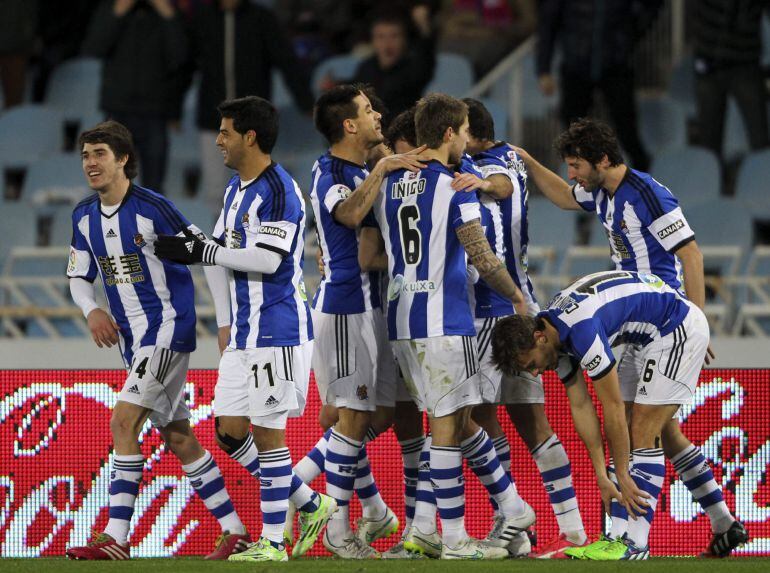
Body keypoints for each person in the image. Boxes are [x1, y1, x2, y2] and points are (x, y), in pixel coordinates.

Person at [515, 118, 749, 559]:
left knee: (640, 428)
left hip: (663, 316)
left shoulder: (648, 194)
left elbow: (691, 254)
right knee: (663, 432)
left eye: (577, 165)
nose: (573, 175)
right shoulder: (601, 192)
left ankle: (631, 542)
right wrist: (528, 164)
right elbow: (566, 199)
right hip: (629, 322)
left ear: (604, 159)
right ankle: (723, 522)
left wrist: (698, 319)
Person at [153, 96, 335, 562]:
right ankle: (311, 504)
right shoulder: (237, 189)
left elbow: (266, 259)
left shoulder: (280, 191)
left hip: (278, 328)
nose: (217, 140)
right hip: (246, 332)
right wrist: (226, 321)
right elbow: (215, 250)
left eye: (225, 132)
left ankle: (273, 544)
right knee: (230, 432)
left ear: (249, 136)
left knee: (269, 434)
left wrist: (204, 253)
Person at [65, 120, 249, 560]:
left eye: (100, 154)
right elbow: (78, 276)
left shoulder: (153, 209)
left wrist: (224, 322)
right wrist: (92, 309)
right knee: (179, 437)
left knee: (123, 422)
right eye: (86, 155)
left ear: (124, 158)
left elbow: (209, 256)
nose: (90, 163)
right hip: (133, 343)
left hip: (167, 330)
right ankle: (244, 525)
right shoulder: (83, 216)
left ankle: (116, 539)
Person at [369, 93, 535, 560]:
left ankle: (497, 509)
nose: (467, 141)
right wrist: (516, 297)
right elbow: (480, 254)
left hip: (402, 320)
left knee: (457, 423)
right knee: (447, 429)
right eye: (463, 132)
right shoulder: (456, 188)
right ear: (447, 133)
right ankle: (458, 537)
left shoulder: (389, 185)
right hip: (445, 321)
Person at [491, 270, 720, 559]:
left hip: (677, 328)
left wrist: (622, 474)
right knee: (628, 428)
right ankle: (616, 537)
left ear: (539, 338)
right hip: (650, 338)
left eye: (532, 364)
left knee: (642, 429)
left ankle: (635, 544)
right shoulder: (555, 336)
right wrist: (602, 475)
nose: (536, 372)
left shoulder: (581, 331)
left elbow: (609, 406)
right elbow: (581, 406)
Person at [452, 98, 588, 558]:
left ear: (471, 135)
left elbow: (503, 186)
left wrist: (479, 180)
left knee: (487, 420)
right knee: (508, 420)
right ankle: (536, 528)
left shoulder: (490, 165)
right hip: (516, 302)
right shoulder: (504, 155)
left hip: (495, 306)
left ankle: (535, 523)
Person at [300, 83, 430, 559]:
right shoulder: (331, 170)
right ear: (349, 124)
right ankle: (334, 524)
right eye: (369, 110)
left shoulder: (358, 168)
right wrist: (382, 168)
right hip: (345, 306)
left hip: (373, 308)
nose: (378, 115)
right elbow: (350, 215)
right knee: (350, 416)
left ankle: (360, 507)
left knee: (374, 415)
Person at [188, 0, 314, 208]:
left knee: (257, 185)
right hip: (212, 120)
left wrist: (306, 102)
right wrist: (172, 109)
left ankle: (256, 235)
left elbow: (286, 61)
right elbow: (185, 65)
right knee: (216, 192)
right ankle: (221, 236)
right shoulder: (203, 19)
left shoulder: (262, 19)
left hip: (253, 121)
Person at [536, 0, 659, 171]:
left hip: (616, 63)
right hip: (576, 64)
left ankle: (643, 184)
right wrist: (543, 69)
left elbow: (652, 8)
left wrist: (630, 34)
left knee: (627, 130)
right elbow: (548, 23)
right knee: (573, 132)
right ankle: (579, 184)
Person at [83, 0, 190, 194]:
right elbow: (94, 48)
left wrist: (166, 12)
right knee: (110, 184)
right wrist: (119, 10)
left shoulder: (168, 11)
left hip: (155, 111)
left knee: (154, 188)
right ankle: (113, 225)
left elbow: (181, 55)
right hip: (117, 111)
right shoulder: (112, 7)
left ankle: (151, 224)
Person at [693, 0, 769, 162]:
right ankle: (710, 183)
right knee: (708, 144)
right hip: (710, 62)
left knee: (760, 140)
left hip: (746, 63)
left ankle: (763, 182)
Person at [350, 7, 436, 119]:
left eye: (394, 36)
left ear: (405, 40)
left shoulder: (413, 68)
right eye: (381, 37)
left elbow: (425, 57)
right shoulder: (367, 67)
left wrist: (423, 26)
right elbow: (353, 89)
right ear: (373, 41)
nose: (387, 43)